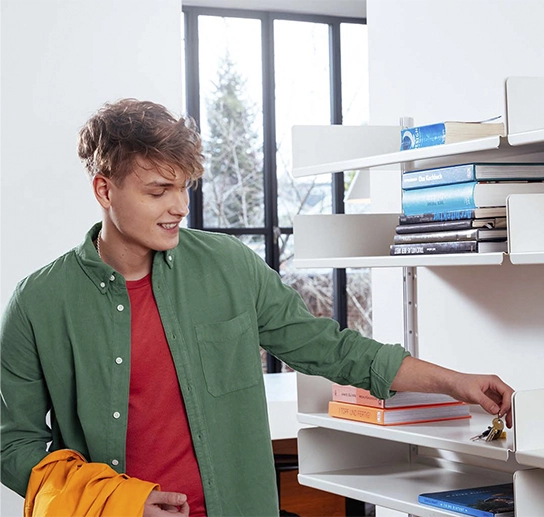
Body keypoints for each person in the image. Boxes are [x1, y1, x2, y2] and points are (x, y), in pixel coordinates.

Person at [0, 99, 514, 517]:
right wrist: (121, 503)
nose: (179, 206)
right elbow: (13, 445)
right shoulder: (37, 302)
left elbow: (331, 349)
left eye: (183, 187)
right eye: (158, 190)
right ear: (103, 190)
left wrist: (456, 382)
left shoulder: (229, 265)